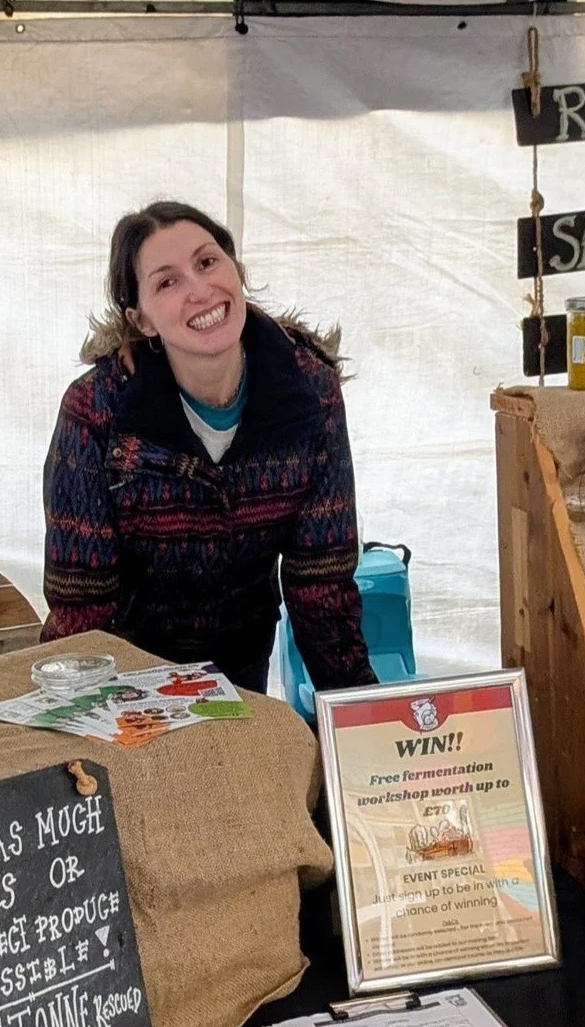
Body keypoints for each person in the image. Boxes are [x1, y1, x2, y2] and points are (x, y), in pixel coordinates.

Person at [41, 200, 375, 695]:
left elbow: (321, 589)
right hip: (125, 683)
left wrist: (364, 727)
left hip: (240, 678)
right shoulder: (96, 414)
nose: (199, 290)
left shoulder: (310, 395)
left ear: (235, 271)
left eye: (206, 262)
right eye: (167, 282)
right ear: (142, 319)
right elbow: (82, 611)